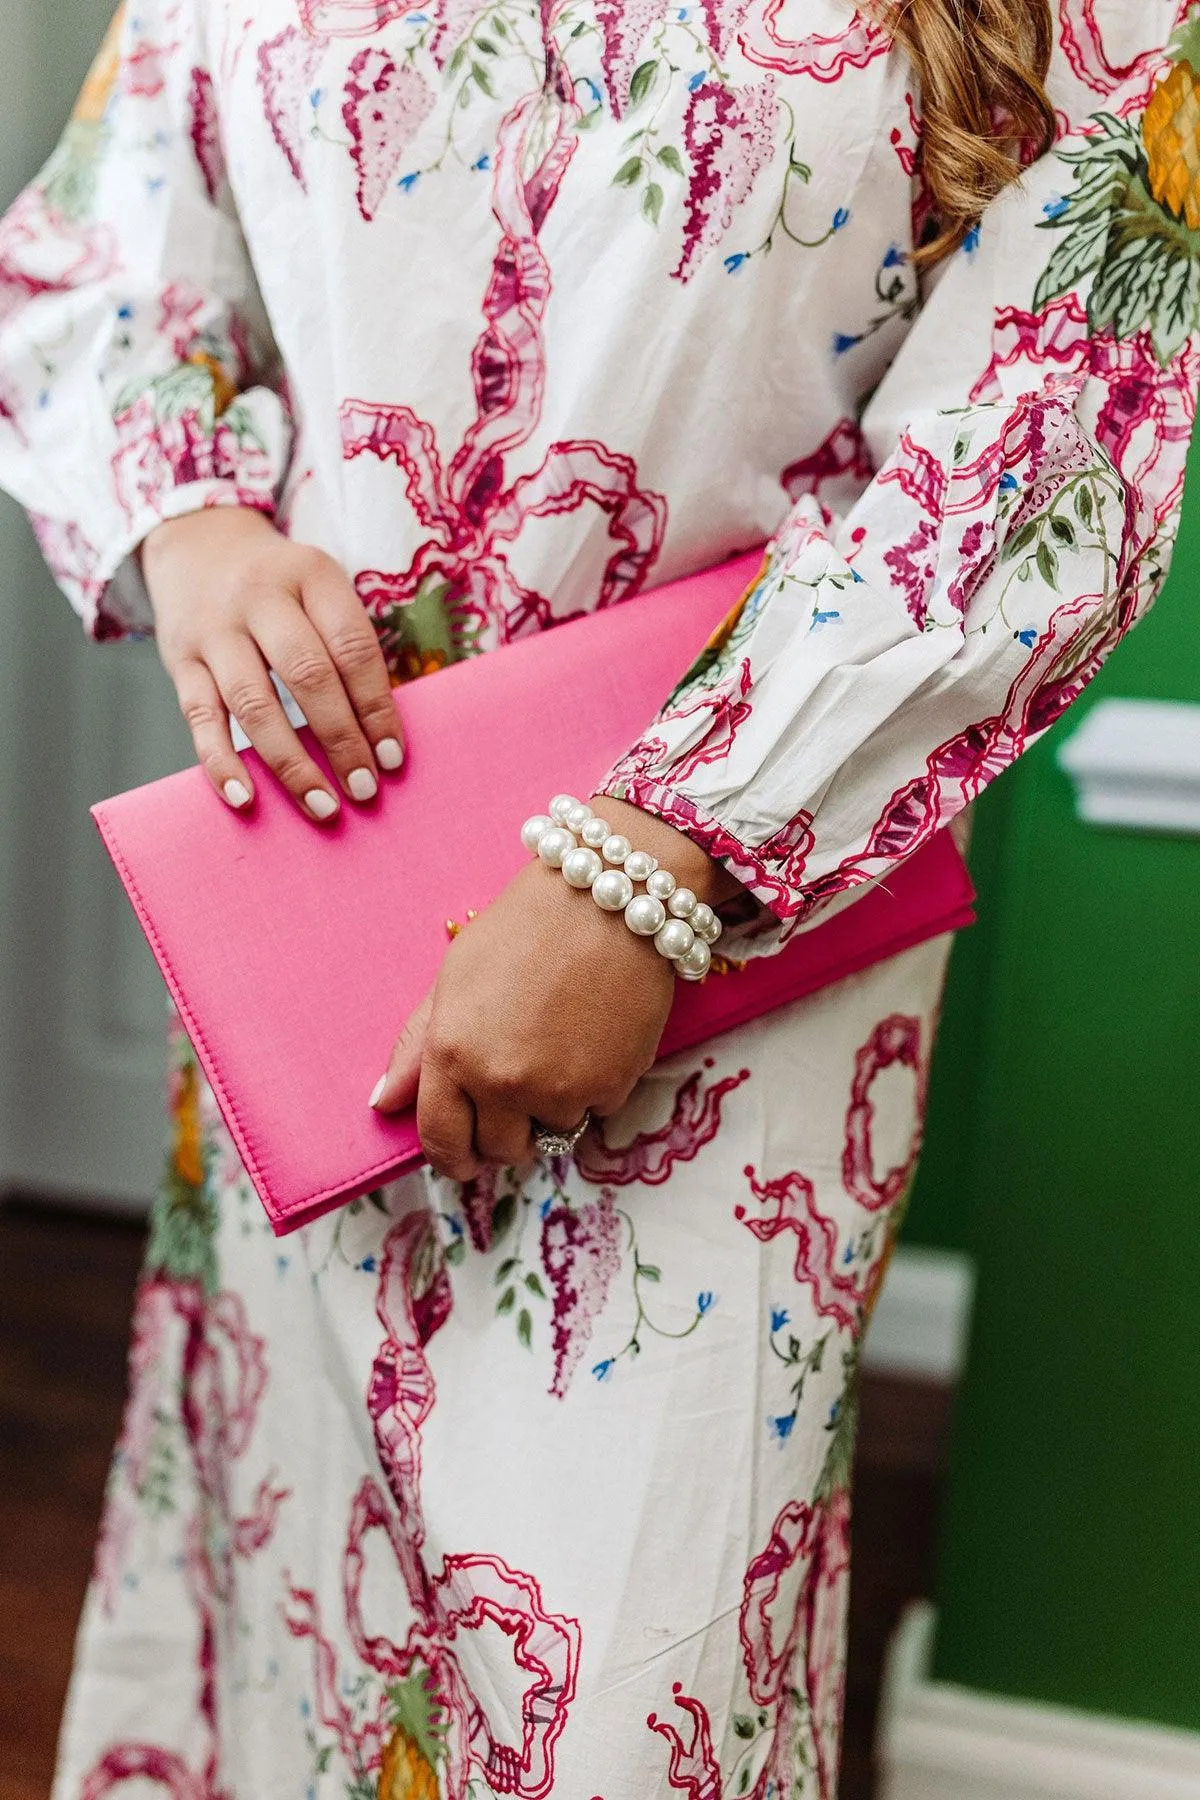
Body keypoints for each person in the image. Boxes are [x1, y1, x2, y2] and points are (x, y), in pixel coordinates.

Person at [0, 0, 1195, 1793]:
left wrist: (664, 858)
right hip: (318, 925)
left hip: (733, 970)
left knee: (629, 1706)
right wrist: (196, 529)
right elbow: (108, 242)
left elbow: (1056, 429)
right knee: (299, 1602)